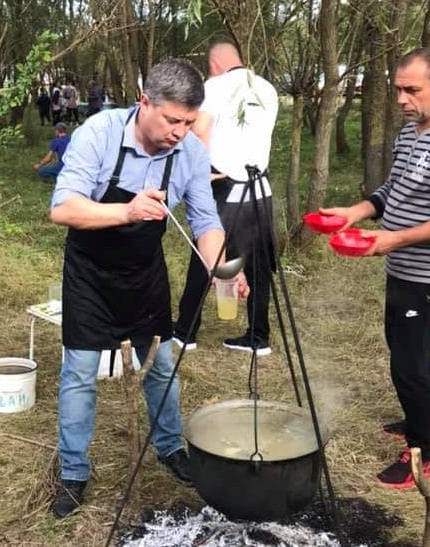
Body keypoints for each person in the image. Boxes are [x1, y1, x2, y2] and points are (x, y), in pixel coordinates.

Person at [49, 58, 248, 519]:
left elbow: (205, 220)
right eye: (172, 120)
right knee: (79, 373)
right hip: (89, 274)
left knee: (161, 368)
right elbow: (64, 209)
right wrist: (127, 211)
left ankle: (169, 447)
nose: (181, 131)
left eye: (189, 122)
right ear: (145, 103)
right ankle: (74, 473)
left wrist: (221, 267)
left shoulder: (191, 153)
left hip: (144, 273)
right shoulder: (99, 134)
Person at [322, 48, 430, 489]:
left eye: (411, 90)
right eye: (398, 89)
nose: (401, 98)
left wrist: (392, 239)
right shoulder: (411, 134)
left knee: (408, 364)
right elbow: (393, 191)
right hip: (400, 266)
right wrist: (353, 212)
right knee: (405, 348)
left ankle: (422, 455)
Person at [173, 41, 279, 356]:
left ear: (216, 63)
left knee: (205, 256)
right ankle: (258, 337)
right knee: (259, 264)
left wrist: (199, 168)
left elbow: (201, 128)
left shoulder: (215, 86)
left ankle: (185, 333)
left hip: (226, 187)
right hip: (261, 189)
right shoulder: (266, 88)